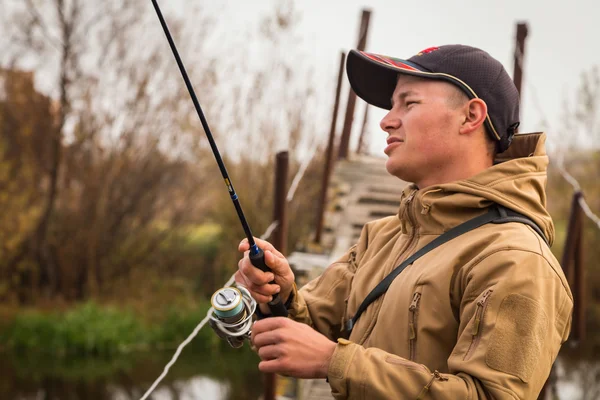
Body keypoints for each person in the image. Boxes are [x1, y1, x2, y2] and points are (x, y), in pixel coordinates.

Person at [235, 44, 573, 399]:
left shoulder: (517, 259)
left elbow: (490, 395)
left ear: (471, 116)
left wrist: (336, 361)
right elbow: (310, 329)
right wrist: (281, 293)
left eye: (408, 103)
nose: (386, 120)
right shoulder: (382, 236)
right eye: (392, 105)